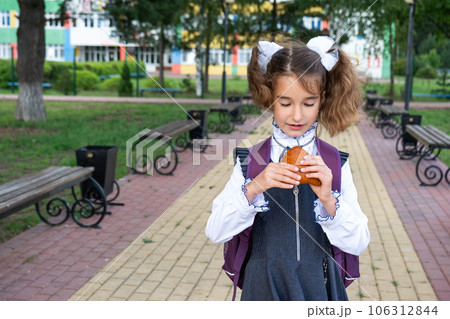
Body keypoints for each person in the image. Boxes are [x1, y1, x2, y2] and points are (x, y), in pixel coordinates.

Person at [205, 36, 370, 301]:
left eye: (308, 103)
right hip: (263, 287)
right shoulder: (250, 161)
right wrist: (255, 187)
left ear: (322, 99)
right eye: (285, 103)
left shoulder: (335, 163)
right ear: (271, 98)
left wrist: (329, 200)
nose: (296, 116)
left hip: (320, 288)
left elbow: (359, 241)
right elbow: (215, 231)